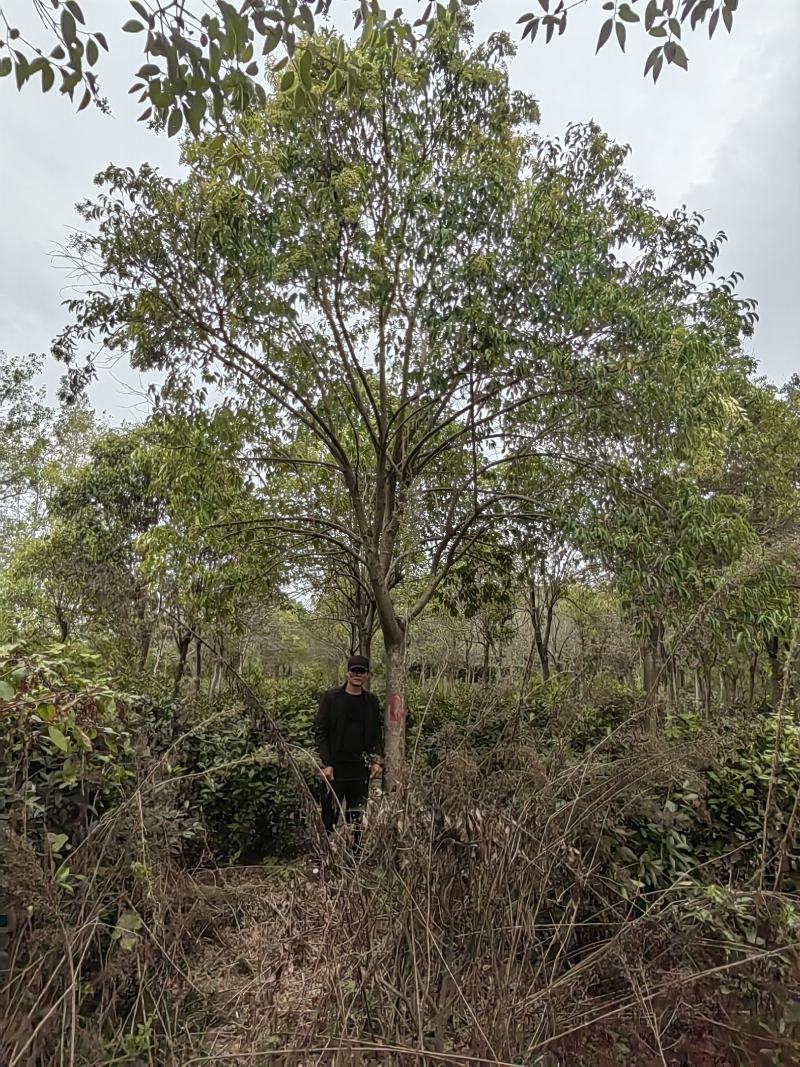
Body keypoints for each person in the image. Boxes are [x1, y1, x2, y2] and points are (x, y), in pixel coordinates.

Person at [313, 654, 383, 852]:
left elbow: (376, 734)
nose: (357, 675)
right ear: (347, 673)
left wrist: (376, 760)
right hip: (335, 769)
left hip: (360, 770)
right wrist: (326, 764)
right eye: (354, 671)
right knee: (329, 816)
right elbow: (320, 731)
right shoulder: (331, 698)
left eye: (362, 671)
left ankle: (355, 859)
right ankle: (325, 857)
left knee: (358, 817)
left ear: (368, 676)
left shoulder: (372, 702)